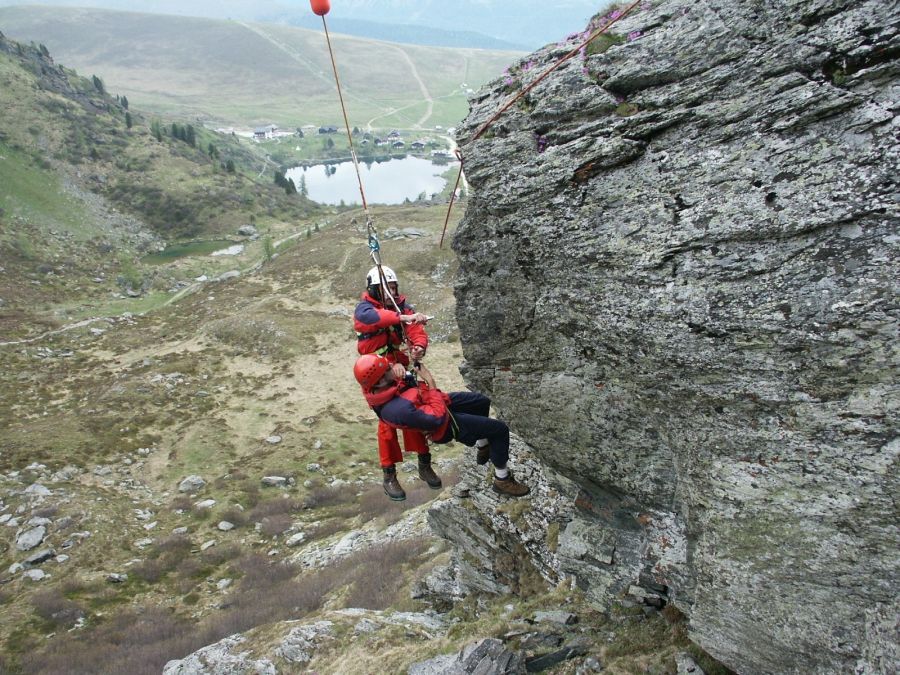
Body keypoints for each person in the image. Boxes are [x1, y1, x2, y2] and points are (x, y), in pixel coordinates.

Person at [353, 353, 530, 498]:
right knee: (499, 430)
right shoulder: (398, 410)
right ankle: (502, 479)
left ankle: (482, 444)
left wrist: (401, 370)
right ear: (381, 381)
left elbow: (404, 390)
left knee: (481, 402)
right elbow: (437, 417)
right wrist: (430, 381)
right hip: (444, 424)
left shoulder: (376, 387)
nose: (392, 367)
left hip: (436, 404)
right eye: (388, 369)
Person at [354, 265, 437, 500]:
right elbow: (374, 319)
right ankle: (389, 475)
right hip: (375, 372)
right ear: (374, 289)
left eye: (393, 287)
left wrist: (419, 346)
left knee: (413, 411)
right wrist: (402, 317)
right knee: (387, 423)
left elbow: (415, 329)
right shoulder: (365, 309)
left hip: (399, 364)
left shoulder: (401, 305)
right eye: (386, 288)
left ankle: (424, 462)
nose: (391, 290)